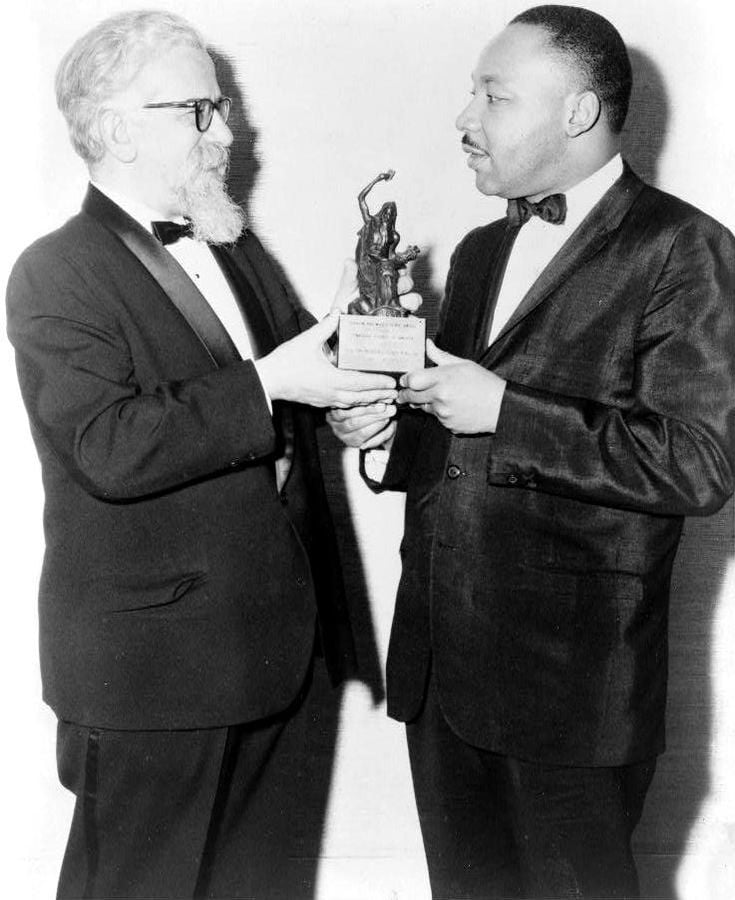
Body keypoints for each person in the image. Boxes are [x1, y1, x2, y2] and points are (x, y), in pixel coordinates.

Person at [5, 10, 420, 899]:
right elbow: (107, 446)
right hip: (151, 676)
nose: (227, 133)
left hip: (277, 655)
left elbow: (289, 395)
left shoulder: (234, 243)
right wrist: (275, 383)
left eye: (222, 108)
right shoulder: (54, 270)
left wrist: (356, 380)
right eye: (199, 112)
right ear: (117, 129)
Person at [328, 5, 735, 898]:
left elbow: (698, 463)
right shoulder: (479, 251)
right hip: (440, 671)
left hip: (570, 693)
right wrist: (388, 435)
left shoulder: (683, 248)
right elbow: (454, 441)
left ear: (577, 113)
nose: (464, 119)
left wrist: (505, 409)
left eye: (492, 95)